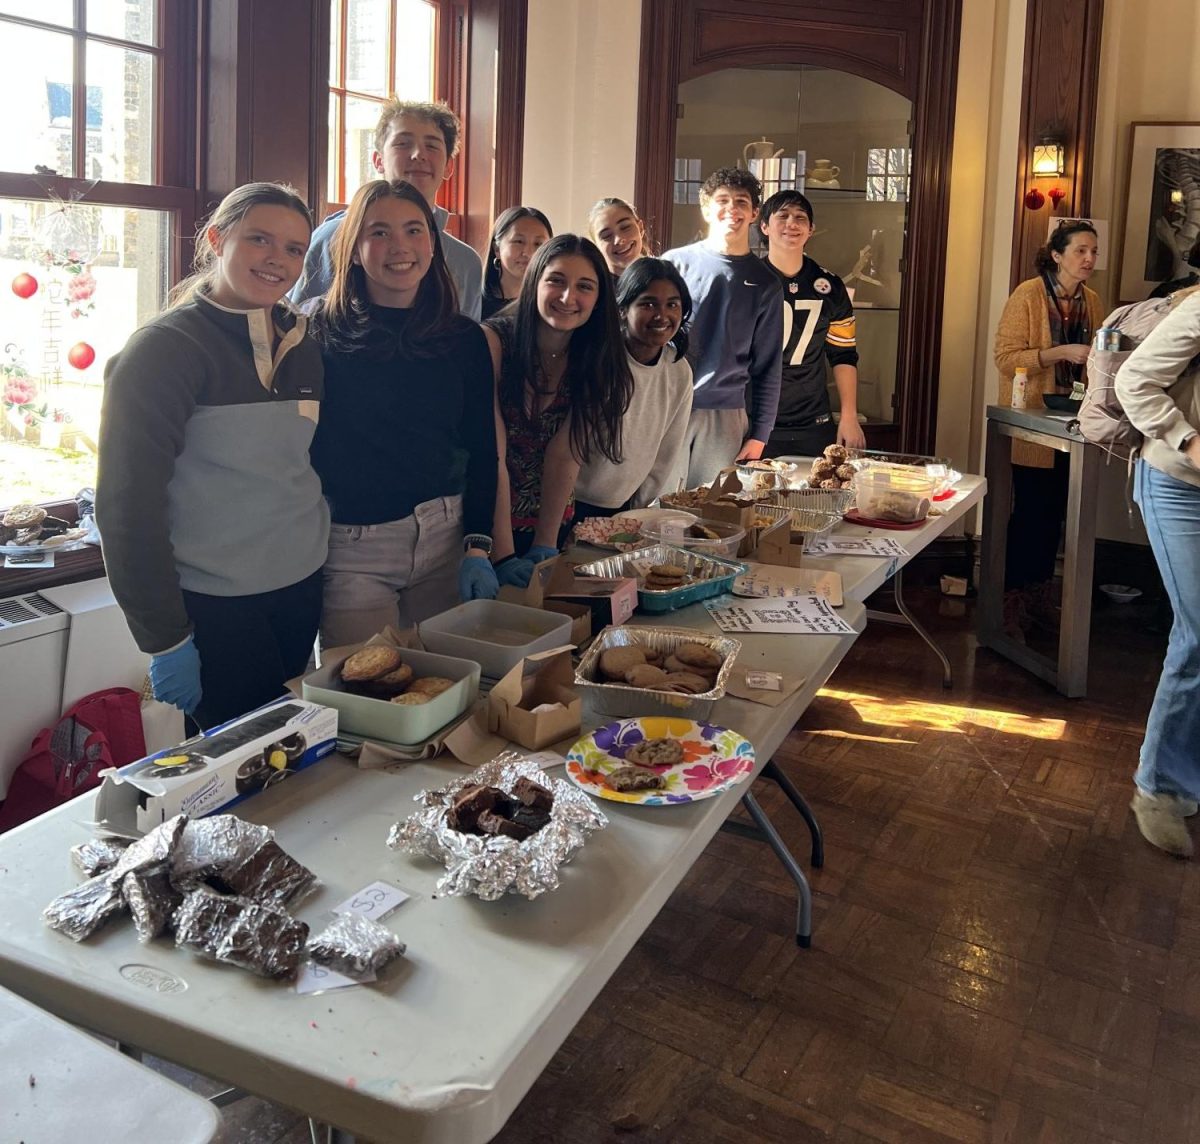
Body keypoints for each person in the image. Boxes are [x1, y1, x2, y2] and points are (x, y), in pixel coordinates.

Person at [96, 183, 329, 730]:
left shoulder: (305, 346)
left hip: (299, 591)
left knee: (288, 756)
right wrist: (164, 637)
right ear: (215, 239)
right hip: (215, 607)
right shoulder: (163, 350)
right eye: (259, 239)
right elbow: (126, 508)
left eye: (295, 249)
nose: (278, 259)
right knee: (239, 778)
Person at [308, 180, 499, 648]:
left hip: (445, 538)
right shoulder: (316, 334)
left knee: (444, 697)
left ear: (432, 245)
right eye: (379, 232)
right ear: (352, 250)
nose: (400, 246)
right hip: (353, 547)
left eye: (414, 230)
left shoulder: (464, 339)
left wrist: (478, 543)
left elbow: (482, 447)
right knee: (363, 697)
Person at [484, 234, 633, 585]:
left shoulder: (599, 358)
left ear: (598, 299)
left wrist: (545, 545)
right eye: (556, 281)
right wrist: (502, 553)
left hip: (549, 520)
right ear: (535, 281)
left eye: (585, 286)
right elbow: (491, 453)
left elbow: (566, 455)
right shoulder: (493, 342)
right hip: (482, 524)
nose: (569, 298)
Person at [1114, 287, 1200, 856]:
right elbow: (1133, 382)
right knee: (1198, 633)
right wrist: (1188, 439)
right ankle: (1159, 787)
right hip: (1178, 485)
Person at [993, 220, 1104, 631]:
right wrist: (1059, 351)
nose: (1089, 258)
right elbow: (1005, 358)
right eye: (1080, 250)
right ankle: (1010, 600)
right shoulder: (1028, 294)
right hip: (1031, 422)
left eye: (1093, 250)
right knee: (1031, 513)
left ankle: (1038, 596)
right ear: (1057, 255)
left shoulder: (1092, 300)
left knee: (1057, 513)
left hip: (1074, 423)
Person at [291, 99, 483, 319]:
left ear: (449, 166)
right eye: (403, 143)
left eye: (431, 146)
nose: (418, 154)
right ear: (378, 160)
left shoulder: (465, 262)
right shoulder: (330, 239)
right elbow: (296, 333)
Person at [663, 167, 783, 487]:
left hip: (726, 415)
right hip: (668, 405)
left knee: (711, 511)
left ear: (755, 213)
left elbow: (769, 366)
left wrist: (760, 434)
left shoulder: (766, 283)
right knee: (657, 504)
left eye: (742, 202)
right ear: (705, 209)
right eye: (723, 200)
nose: (732, 208)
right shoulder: (673, 265)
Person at [574, 257, 694, 518]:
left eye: (672, 304)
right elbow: (569, 447)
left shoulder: (678, 370)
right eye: (648, 303)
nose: (662, 315)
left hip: (626, 507)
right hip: (569, 503)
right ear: (622, 309)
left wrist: (635, 513)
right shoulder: (598, 359)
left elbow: (666, 452)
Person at [757, 189, 865, 458]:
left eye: (800, 217)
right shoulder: (748, 281)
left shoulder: (830, 286)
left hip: (813, 420)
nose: (791, 223)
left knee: (814, 497)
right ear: (764, 226)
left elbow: (843, 354)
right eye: (782, 216)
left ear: (811, 230)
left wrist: (849, 416)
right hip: (756, 420)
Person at [481, 206, 553, 320]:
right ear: (497, 249)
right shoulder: (474, 301)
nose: (529, 253)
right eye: (519, 241)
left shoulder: (553, 304)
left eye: (538, 244)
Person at [587, 197, 648, 281]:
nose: (618, 239)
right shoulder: (593, 288)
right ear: (595, 245)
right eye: (606, 235)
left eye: (625, 227)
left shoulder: (663, 278)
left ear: (640, 228)